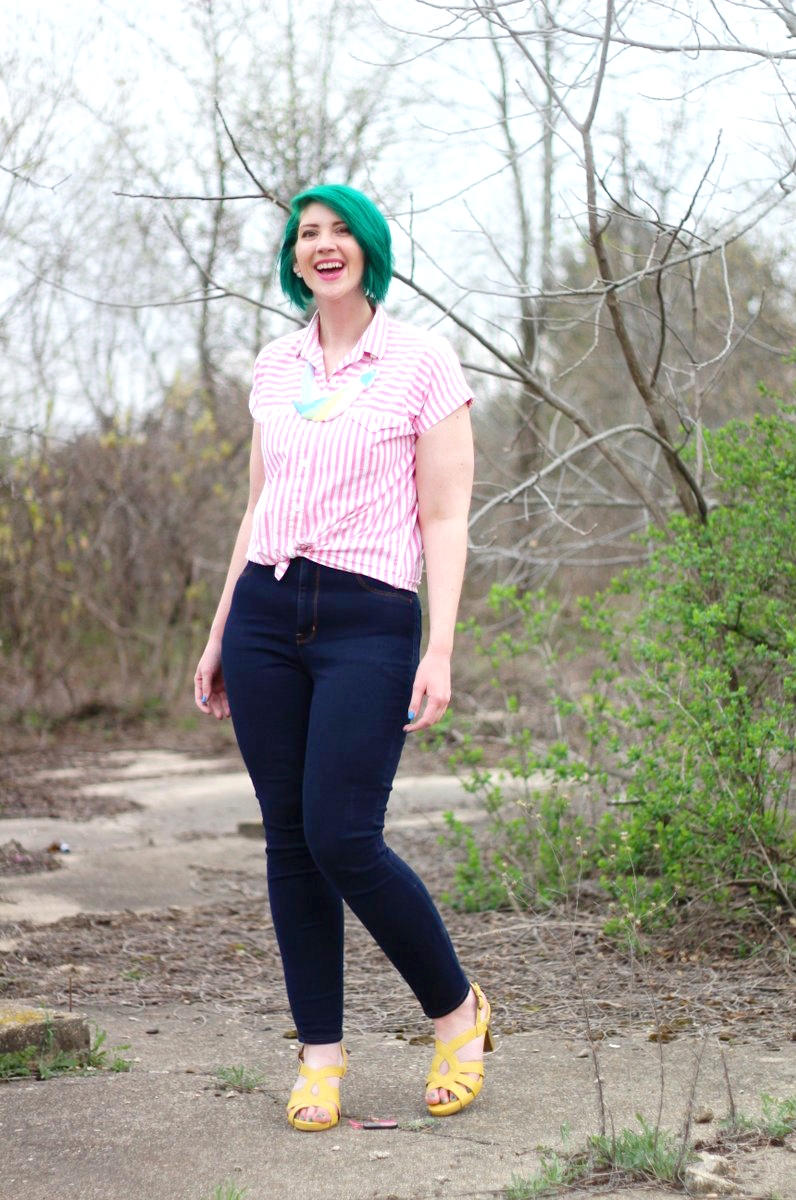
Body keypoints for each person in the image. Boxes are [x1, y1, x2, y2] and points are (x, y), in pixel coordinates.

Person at [193, 183, 492, 1132]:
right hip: (266, 615)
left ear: (367, 249)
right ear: (294, 257)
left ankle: (458, 1015)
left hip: (370, 618)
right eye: (306, 234)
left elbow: (445, 516)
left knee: (343, 836)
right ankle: (319, 1055)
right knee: (289, 841)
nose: (323, 245)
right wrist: (220, 629)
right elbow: (260, 504)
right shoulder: (274, 367)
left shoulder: (421, 362)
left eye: (339, 232)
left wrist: (440, 646)